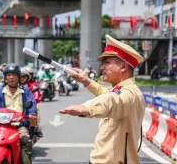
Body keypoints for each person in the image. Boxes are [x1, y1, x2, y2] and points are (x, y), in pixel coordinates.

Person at [59, 34, 146, 164]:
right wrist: (86, 81)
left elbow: (112, 101)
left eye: (106, 63)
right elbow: (107, 94)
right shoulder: (123, 90)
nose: (102, 67)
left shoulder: (129, 94)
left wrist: (87, 108)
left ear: (123, 67)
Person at [0, 63, 37, 164]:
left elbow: (32, 102)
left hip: (19, 126)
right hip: (2, 126)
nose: (11, 77)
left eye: (14, 75)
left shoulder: (25, 91)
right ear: (5, 78)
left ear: (19, 77)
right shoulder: (0, 92)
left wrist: (31, 113)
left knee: (26, 141)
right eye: (9, 75)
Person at [20, 67, 43, 137]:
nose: (22, 78)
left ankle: (35, 128)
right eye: (20, 77)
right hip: (18, 105)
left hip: (30, 104)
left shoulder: (33, 85)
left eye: (24, 77)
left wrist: (32, 103)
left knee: (36, 109)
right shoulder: (14, 85)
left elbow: (36, 97)